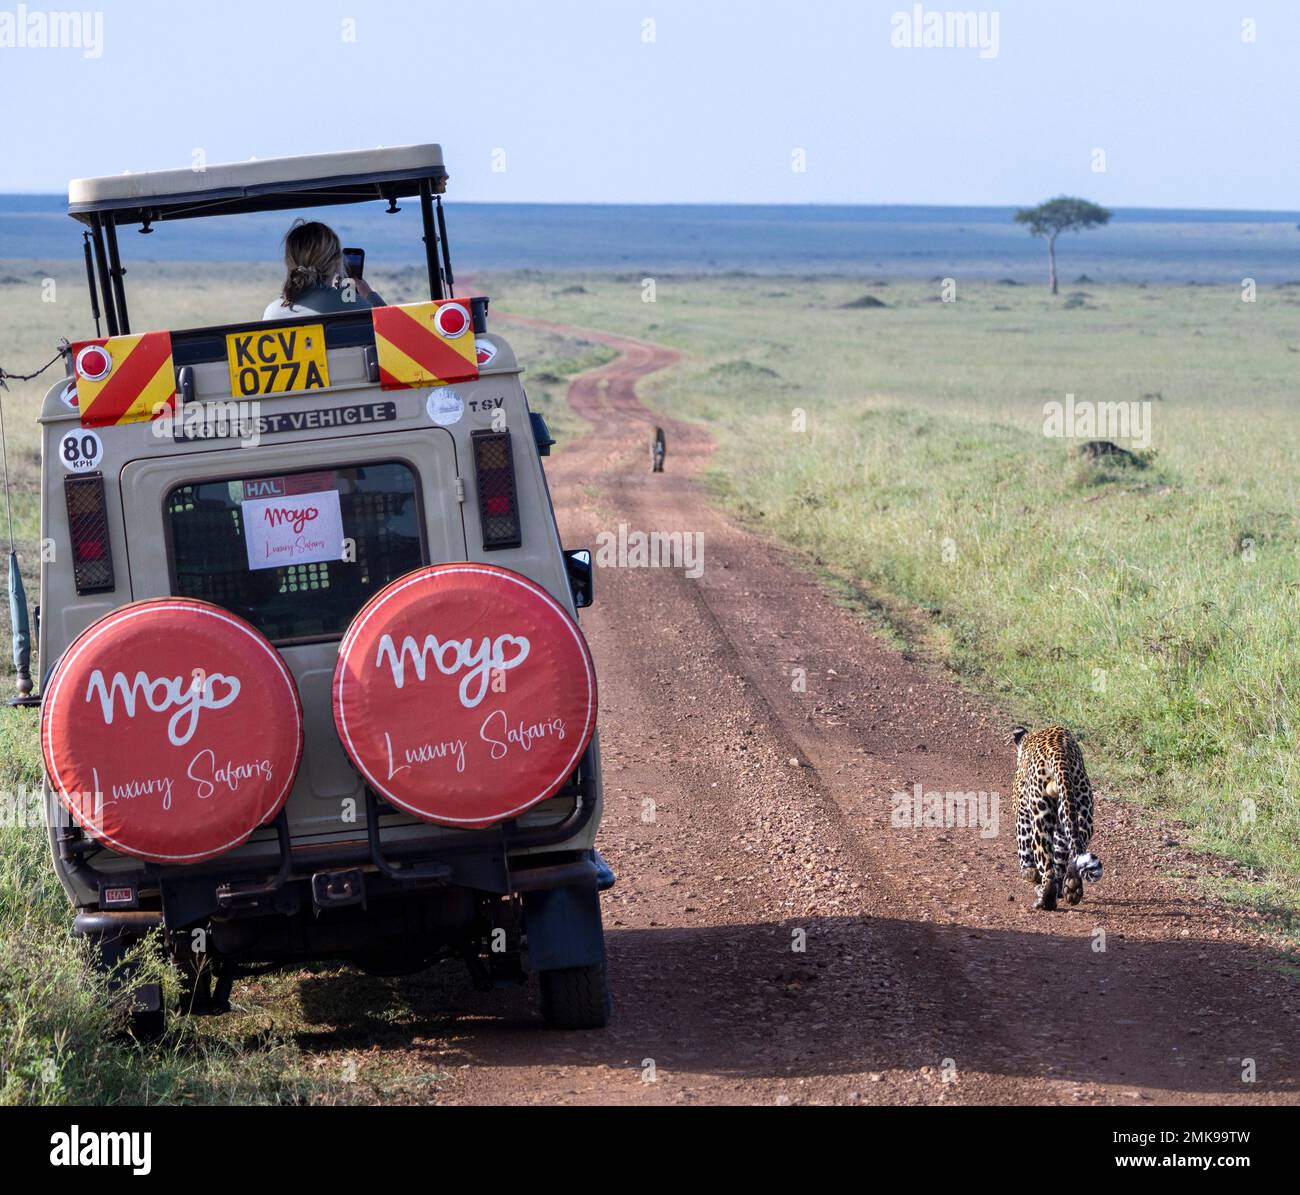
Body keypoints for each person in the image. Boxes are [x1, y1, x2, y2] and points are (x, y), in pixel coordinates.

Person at [262, 219, 385, 319]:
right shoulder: (354, 306)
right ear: (336, 260)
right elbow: (393, 335)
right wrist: (368, 294)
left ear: (289, 261)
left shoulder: (272, 313)